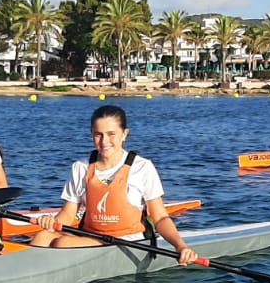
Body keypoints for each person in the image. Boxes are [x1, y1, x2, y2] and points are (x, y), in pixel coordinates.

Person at [31, 105, 198, 265]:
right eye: (98, 134)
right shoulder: (80, 167)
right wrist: (51, 222)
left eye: (111, 134)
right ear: (91, 134)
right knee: (42, 237)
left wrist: (181, 246)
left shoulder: (143, 167)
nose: (104, 141)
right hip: (90, 236)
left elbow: (160, 218)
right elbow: (67, 215)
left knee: (63, 243)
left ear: (124, 134)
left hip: (128, 241)